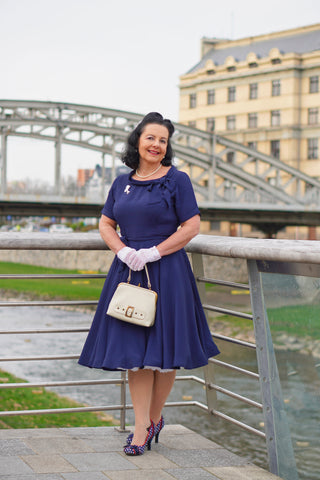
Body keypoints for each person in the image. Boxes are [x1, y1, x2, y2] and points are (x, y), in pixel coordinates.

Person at [78, 112, 220, 456]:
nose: (157, 145)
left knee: (166, 352)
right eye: (151, 138)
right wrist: (124, 250)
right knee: (134, 354)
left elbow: (191, 226)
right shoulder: (120, 183)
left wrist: (155, 252)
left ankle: (153, 419)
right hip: (128, 272)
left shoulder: (178, 180)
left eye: (163, 140)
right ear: (137, 141)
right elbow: (106, 224)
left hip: (167, 270)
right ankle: (142, 426)